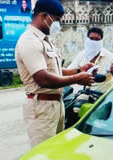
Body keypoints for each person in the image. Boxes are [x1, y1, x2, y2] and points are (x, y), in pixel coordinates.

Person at [15, 0, 95, 147]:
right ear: (43, 15)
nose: (58, 24)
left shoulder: (46, 40)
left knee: (56, 152)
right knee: (42, 155)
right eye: (56, 19)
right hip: (41, 107)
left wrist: (79, 70)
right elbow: (43, 78)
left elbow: (56, 71)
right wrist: (76, 78)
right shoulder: (29, 41)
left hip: (56, 105)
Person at [67, 27, 113, 93]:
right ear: (87, 40)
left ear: (101, 41)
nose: (94, 42)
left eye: (97, 39)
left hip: (101, 96)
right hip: (81, 95)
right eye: (91, 39)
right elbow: (69, 72)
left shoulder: (110, 57)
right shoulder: (81, 55)